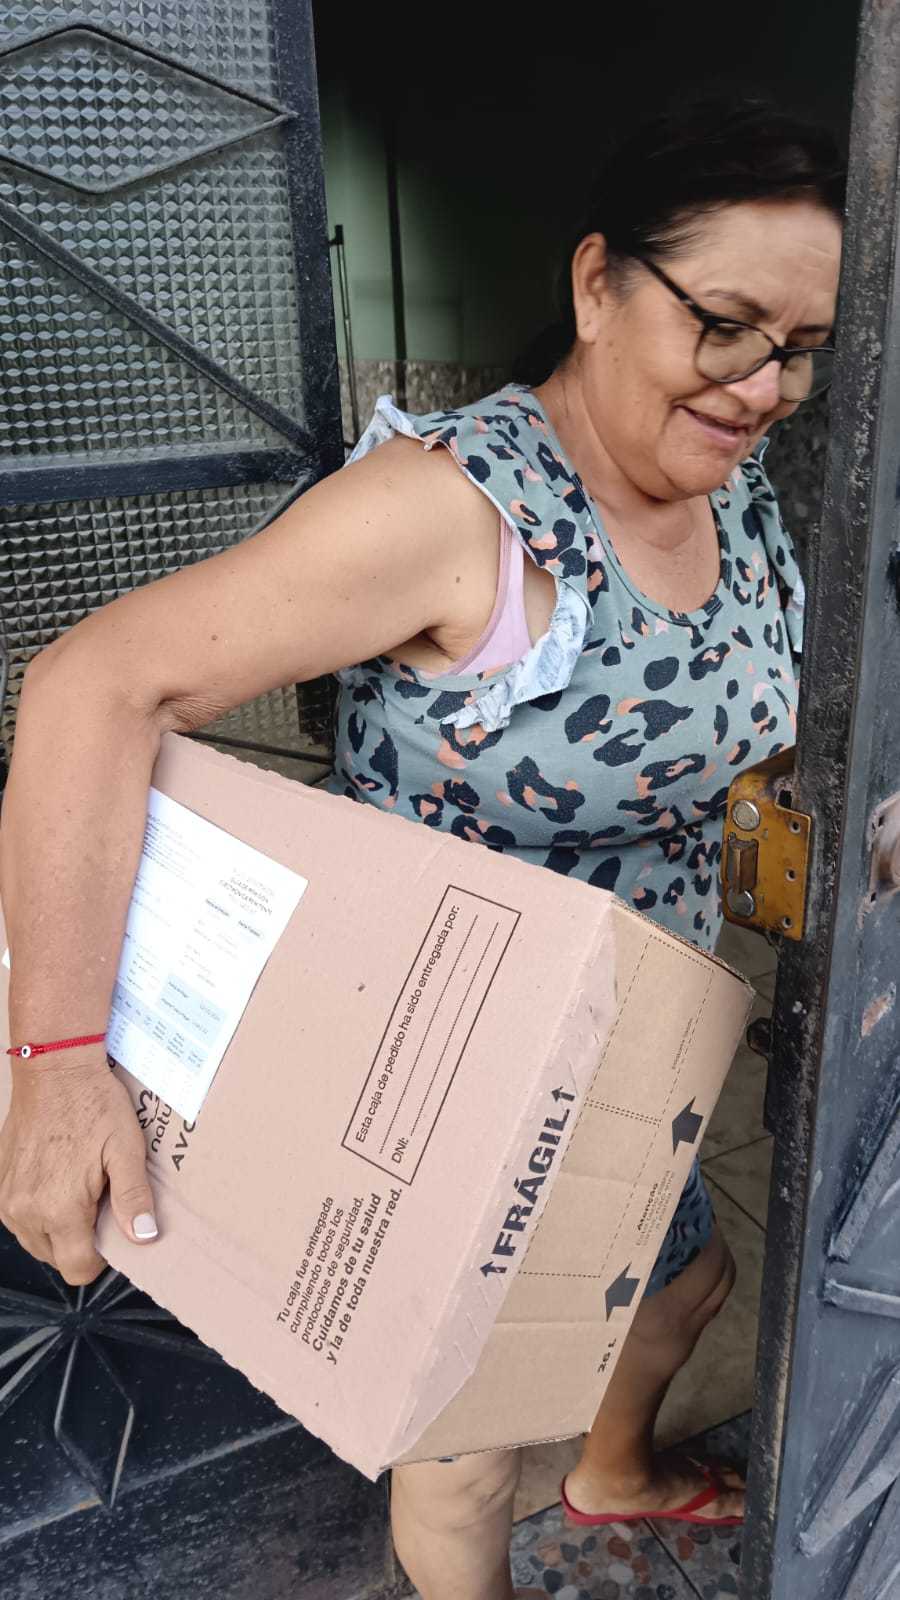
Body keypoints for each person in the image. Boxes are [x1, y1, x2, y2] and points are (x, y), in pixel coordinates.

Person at [0, 99, 842, 1600]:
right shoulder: (456, 513)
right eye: (725, 326)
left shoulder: (736, 488)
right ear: (598, 284)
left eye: (802, 348)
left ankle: (614, 1470)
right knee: (461, 1457)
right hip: (452, 1089)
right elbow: (92, 686)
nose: (764, 385)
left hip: (634, 1060)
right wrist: (57, 1064)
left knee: (684, 1285)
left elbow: (735, 723)